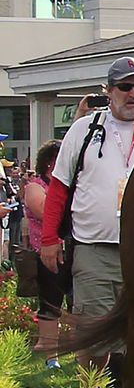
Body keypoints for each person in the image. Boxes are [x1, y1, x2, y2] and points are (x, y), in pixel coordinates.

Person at [38, 56, 134, 388]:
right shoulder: (85, 130)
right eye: (125, 87)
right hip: (95, 248)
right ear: (108, 91)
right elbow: (59, 187)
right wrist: (48, 239)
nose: (133, 94)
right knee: (94, 340)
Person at [21, 139, 65, 369]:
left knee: (82, 304)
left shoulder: (73, 186)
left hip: (74, 252)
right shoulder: (35, 186)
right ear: (50, 162)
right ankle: (51, 358)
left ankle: (85, 356)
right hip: (47, 255)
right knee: (51, 305)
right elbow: (45, 211)